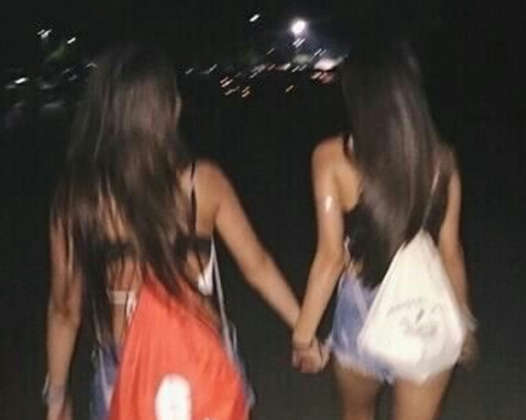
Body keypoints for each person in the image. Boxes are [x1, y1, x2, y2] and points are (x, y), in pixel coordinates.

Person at [44, 44, 300, 420]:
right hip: (203, 355)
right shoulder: (202, 182)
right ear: (168, 109)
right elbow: (257, 266)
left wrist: (57, 394)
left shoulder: (78, 199)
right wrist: (303, 330)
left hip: (124, 367)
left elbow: (66, 308)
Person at [292, 42, 477, 420]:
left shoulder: (332, 157)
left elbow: (330, 258)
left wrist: (303, 337)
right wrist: (462, 320)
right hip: (426, 307)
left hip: (361, 305)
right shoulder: (442, 160)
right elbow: (450, 251)